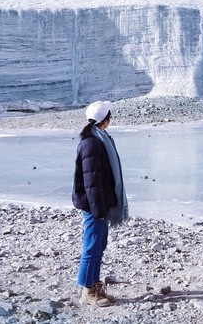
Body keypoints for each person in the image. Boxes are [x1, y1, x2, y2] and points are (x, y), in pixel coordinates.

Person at [72, 100, 129, 307]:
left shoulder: (99, 139)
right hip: (93, 205)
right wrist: (98, 210)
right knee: (92, 246)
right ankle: (87, 291)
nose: (111, 120)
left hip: (100, 203)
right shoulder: (92, 143)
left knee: (99, 245)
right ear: (105, 119)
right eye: (109, 116)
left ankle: (95, 286)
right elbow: (91, 181)